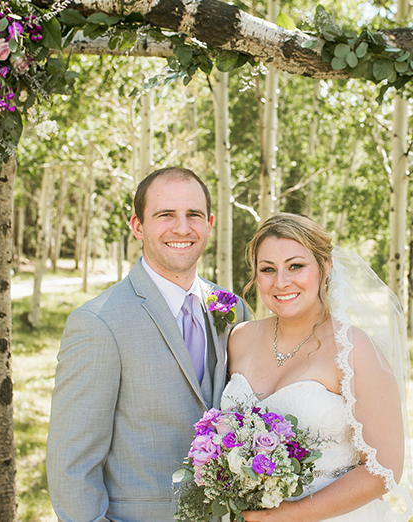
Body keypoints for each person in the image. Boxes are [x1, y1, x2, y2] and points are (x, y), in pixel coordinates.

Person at [46, 167, 249, 522]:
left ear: (210, 223)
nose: (182, 228)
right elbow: (71, 466)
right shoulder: (98, 323)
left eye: (194, 215)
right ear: (137, 226)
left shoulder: (234, 309)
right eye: (165, 215)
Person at [221, 213, 413, 522]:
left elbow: (385, 468)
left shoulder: (355, 350)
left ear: (325, 267)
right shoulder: (239, 339)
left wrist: (293, 514)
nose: (281, 282)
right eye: (268, 269)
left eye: (296, 266)